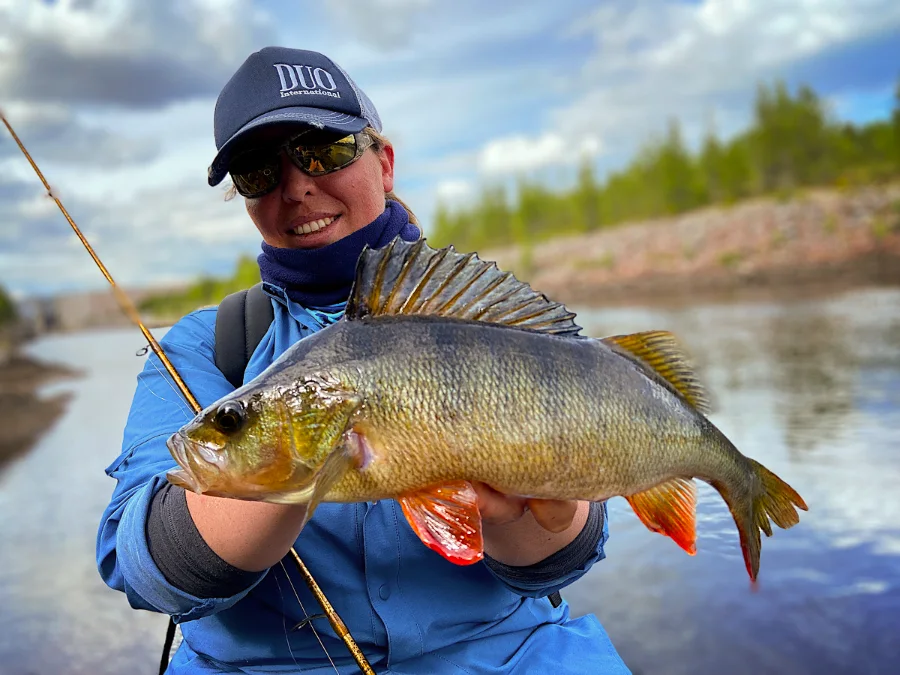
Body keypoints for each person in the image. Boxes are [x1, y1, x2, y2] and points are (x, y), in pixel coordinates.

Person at [97, 46, 631, 675]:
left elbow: (563, 557)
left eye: (322, 150)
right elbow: (144, 571)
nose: (295, 186)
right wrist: (295, 456)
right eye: (257, 170)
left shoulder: (487, 321)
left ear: (385, 164)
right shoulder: (206, 346)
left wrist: (549, 508)